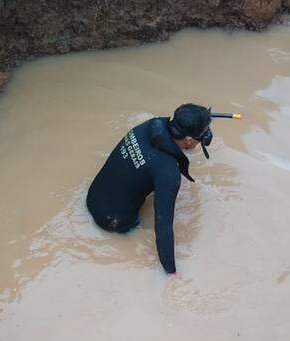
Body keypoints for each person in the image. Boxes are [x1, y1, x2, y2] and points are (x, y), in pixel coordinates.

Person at [86, 103, 214, 275]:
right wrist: (171, 272)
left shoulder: (150, 125)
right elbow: (163, 227)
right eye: (201, 137)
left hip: (93, 197)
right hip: (113, 222)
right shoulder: (168, 173)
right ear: (190, 140)